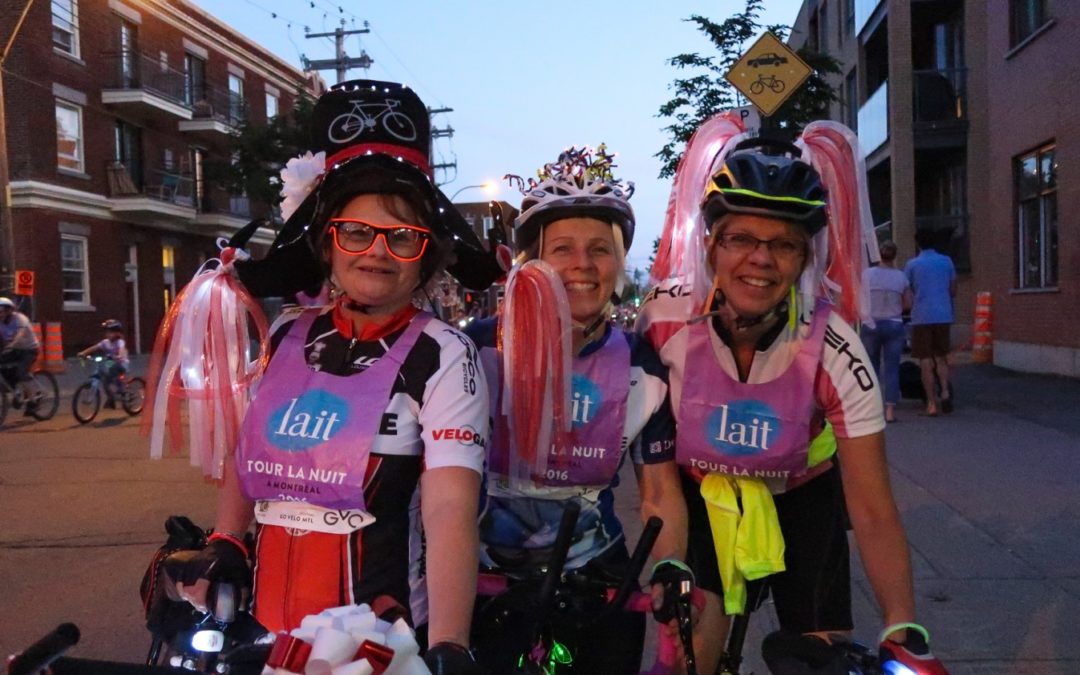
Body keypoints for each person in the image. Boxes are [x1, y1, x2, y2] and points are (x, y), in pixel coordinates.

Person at [165, 79, 503, 674]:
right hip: (266, 626)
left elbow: (450, 505)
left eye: (402, 237)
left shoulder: (444, 353)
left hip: (377, 637)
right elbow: (248, 457)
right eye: (357, 231)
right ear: (327, 242)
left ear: (425, 254)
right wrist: (225, 539)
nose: (377, 252)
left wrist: (450, 641)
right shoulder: (286, 336)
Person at [639, 117, 947, 674]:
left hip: (805, 495)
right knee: (691, 661)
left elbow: (873, 507)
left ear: (806, 258)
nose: (761, 259)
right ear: (710, 244)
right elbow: (650, 468)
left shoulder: (834, 346)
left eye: (784, 244)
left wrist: (904, 627)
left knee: (818, 660)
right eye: (740, 239)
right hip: (703, 496)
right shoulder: (664, 321)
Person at [466, 147, 688, 673]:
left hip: (598, 581)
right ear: (530, 264)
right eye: (561, 249)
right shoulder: (477, 350)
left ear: (618, 262)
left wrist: (673, 570)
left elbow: (659, 495)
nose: (583, 266)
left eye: (600, 249)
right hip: (484, 580)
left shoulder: (642, 365)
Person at [904, 229, 957, 416]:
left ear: (917, 244)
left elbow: (908, 290)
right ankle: (945, 391)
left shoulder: (912, 265)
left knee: (925, 360)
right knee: (941, 357)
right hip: (943, 314)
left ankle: (931, 403)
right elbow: (952, 290)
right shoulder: (947, 261)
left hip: (922, 316)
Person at [861, 241, 911, 423]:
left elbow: (860, 296)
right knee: (892, 368)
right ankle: (890, 410)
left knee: (870, 367)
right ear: (894, 256)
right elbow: (908, 304)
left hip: (871, 323)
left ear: (879, 255)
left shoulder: (867, 275)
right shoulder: (901, 277)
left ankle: (871, 408)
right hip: (894, 324)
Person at [0, 296, 43, 416]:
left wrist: (12, 345)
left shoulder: (20, 318)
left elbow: (21, 334)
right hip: (12, 350)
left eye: (1, 311)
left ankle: (33, 401)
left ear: (9, 310)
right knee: (5, 371)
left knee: (21, 373)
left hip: (28, 349)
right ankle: (17, 392)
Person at [77, 319, 130, 409]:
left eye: (110, 332)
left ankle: (122, 390)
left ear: (117, 333)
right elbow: (94, 348)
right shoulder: (105, 342)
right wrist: (84, 353)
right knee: (105, 380)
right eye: (106, 332)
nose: (107, 334)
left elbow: (121, 349)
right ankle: (111, 399)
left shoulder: (120, 342)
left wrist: (119, 355)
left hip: (121, 363)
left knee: (113, 374)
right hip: (110, 362)